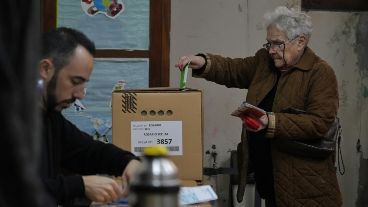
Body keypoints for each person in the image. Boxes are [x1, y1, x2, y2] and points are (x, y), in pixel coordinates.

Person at [175, 6, 342, 207]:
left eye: (277, 44)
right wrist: (202, 62)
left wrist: (271, 121)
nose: (271, 50)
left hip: (304, 188)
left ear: (301, 42)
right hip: (271, 179)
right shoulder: (265, 63)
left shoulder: (320, 73)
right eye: (269, 43)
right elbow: (232, 69)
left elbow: (320, 123)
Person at [39, 27, 140, 206]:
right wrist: (79, 186)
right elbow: (12, 191)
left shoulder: (50, 116)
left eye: (83, 84)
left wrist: (128, 162)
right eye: (75, 82)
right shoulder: (11, 117)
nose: (80, 94)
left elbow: (87, 151)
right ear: (46, 69)